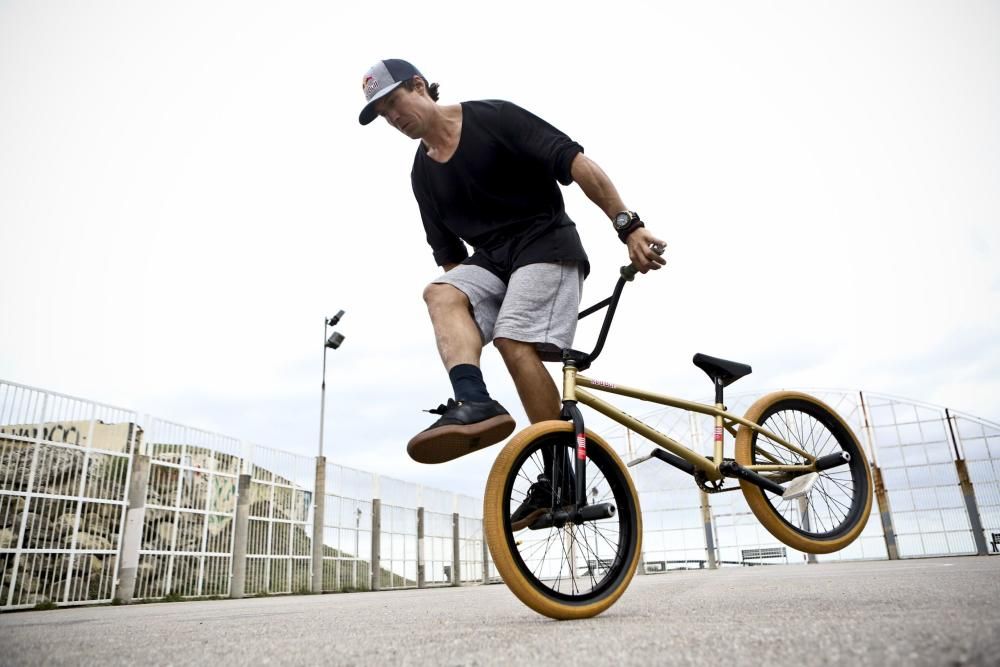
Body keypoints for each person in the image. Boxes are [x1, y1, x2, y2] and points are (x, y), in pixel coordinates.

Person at [359, 59, 665, 465]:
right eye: (383, 115)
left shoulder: (494, 118)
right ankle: (474, 401)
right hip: (495, 263)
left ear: (419, 86)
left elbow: (575, 163)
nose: (393, 118)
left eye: (394, 102)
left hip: (547, 245)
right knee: (440, 293)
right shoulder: (423, 174)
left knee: (512, 338)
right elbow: (453, 262)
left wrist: (628, 226)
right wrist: (472, 316)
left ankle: (557, 468)